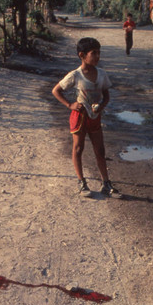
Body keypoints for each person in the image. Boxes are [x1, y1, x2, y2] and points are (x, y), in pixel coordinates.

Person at [52, 37, 121, 198]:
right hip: (79, 117)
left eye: (99, 53)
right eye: (93, 53)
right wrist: (69, 105)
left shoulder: (102, 74)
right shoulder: (75, 75)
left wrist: (101, 107)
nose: (97, 56)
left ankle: (106, 183)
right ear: (82, 55)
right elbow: (56, 90)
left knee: (100, 150)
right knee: (78, 148)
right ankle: (82, 182)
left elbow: (106, 96)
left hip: (95, 117)